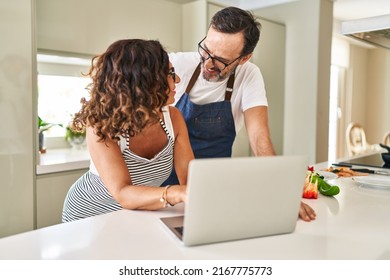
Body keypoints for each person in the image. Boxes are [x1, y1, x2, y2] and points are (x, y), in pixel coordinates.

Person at [167, 6, 316, 221]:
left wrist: (282, 192)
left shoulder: (249, 75)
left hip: (214, 186)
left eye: (221, 60)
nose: (208, 63)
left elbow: (259, 138)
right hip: (167, 186)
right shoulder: (177, 65)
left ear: (244, 59)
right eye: (206, 50)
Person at [62, 39, 194, 222]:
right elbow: (123, 192)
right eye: (171, 73)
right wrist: (175, 193)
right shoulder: (101, 125)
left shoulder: (174, 118)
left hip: (137, 214)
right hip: (90, 213)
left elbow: (190, 182)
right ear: (145, 82)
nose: (177, 79)